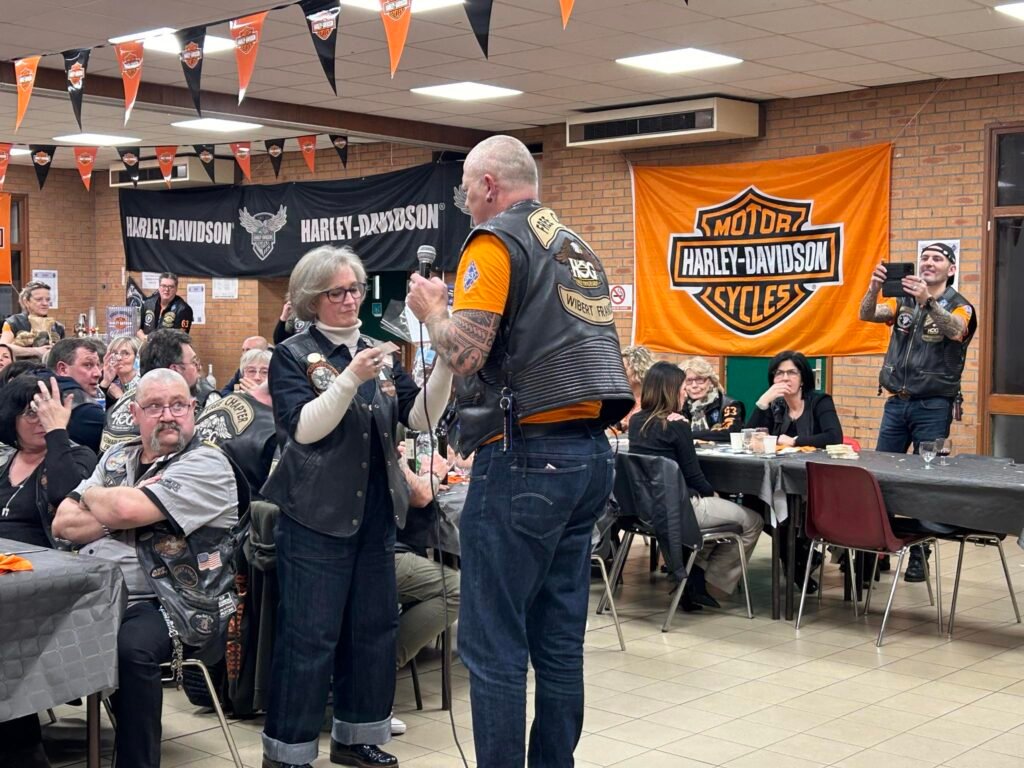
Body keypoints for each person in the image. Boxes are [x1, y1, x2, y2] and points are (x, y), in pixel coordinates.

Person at [406, 134, 634, 768]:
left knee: (493, 644)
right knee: (558, 642)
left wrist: (433, 310)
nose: (466, 206)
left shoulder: (495, 240)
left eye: (465, 192)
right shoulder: (575, 245)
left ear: (487, 185)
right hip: (590, 455)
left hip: (526, 457)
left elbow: (466, 353)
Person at [260, 245, 452, 768]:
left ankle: (357, 737)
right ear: (311, 299)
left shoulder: (377, 350)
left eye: (356, 289)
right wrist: (349, 380)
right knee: (309, 637)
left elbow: (418, 417)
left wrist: (446, 365)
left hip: (374, 516)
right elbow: (303, 429)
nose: (350, 300)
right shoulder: (293, 354)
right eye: (338, 292)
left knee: (373, 630)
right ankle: (287, 751)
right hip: (314, 517)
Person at [52, 369, 243, 768]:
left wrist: (98, 498)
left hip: (177, 602)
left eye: (178, 405)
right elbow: (63, 523)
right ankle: (22, 747)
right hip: (98, 592)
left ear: (193, 409)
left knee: (131, 648)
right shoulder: (117, 457)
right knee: (23, 627)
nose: (168, 415)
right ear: (136, 414)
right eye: (155, 406)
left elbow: (124, 509)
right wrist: (118, 510)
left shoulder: (208, 463)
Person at [858, 242, 977, 581]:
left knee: (925, 481)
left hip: (933, 405)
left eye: (937, 258)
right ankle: (879, 549)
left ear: (950, 270)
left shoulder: (961, 306)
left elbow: (956, 331)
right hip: (897, 402)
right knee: (880, 477)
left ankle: (918, 555)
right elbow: (867, 314)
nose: (928, 262)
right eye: (924, 257)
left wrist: (929, 302)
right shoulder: (902, 302)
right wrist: (874, 287)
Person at [0, 374, 98, 768]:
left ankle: (22, 746)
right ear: (11, 417)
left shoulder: (77, 457)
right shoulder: (4, 460)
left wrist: (58, 434)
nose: (40, 419)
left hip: (49, 585)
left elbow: (64, 497)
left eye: (47, 411)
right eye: (30, 412)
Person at [629, 362, 763, 609]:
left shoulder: (637, 421)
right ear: (671, 391)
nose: (685, 393)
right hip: (680, 508)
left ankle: (693, 577)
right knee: (753, 521)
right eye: (683, 387)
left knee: (714, 520)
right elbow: (694, 477)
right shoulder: (676, 425)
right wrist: (713, 494)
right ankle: (714, 584)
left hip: (645, 509)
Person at [395, 446, 460, 672]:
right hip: (373, 555)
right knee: (457, 590)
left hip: (338, 552)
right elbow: (420, 495)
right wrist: (432, 475)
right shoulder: (379, 437)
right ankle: (380, 663)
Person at [102, 329, 208, 453]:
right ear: (175, 370)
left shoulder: (123, 400)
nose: (199, 368)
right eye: (195, 362)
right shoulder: (178, 414)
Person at [746, 351, 843, 448]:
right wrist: (762, 402)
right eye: (779, 373)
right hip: (779, 458)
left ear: (802, 380)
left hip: (813, 457)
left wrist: (795, 441)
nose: (785, 378)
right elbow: (747, 438)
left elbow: (835, 438)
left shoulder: (821, 402)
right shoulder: (775, 406)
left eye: (792, 372)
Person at [46, 338, 106, 452]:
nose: (98, 373)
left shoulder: (32, 389)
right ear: (63, 369)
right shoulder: (86, 411)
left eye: (98, 365)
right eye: (88, 365)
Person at [679, 356, 745, 442]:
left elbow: (730, 432)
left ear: (710, 381)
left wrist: (687, 434)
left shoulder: (729, 404)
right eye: (689, 381)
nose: (694, 385)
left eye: (699, 379)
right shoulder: (680, 406)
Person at [1, 280, 64, 359]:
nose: (45, 303)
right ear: (26, 301)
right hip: (21, 366)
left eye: (48, 300)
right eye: (39, 299)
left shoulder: (58, 327)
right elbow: (2, 347)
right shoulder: (13, 322)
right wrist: (35, 351)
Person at [137, 272, 193, 338]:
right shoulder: (148, 303)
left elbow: (181, 336)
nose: (166, 289)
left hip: (168, 345)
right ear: (159, 287)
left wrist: (152, 339)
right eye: (163, 286)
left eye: (171, 287)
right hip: (146, 344)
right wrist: (142, 336)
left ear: (176, 289)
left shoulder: (184, 309)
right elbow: (138, 328)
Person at [615, 344, 654, 433]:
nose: (619, 374)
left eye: (624, 370)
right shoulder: (619, 399)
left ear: (639, 369)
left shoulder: (653, 401)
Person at [100, 336, 141, 407]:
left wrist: (120, 397)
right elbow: (97, 408)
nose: (119, 358)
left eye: (126, 353)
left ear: (137, 357)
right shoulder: (111, 383)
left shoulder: (143, 384)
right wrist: (105, 382)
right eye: (115, 353)